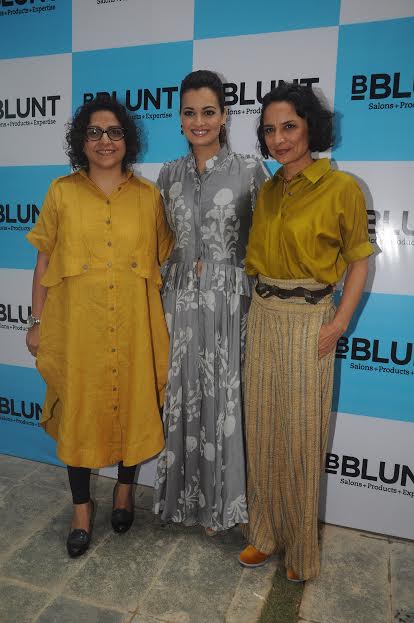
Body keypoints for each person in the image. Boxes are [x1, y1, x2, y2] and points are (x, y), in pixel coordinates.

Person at [26, 96, 173, 557]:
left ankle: (125, 491)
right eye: (94, 132)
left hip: (133, 328)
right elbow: (43, 260)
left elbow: (166, 256)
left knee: (133, 403)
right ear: (81, 140)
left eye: (114, 132)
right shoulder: (61, 192)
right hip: (78, 331)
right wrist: (35, 321)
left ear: (127, 139)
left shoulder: (149, 197)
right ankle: (82, 508)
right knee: (79, 413)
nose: (104, 141)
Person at [239, 83, 374, 580]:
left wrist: (338, 323)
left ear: (310, 128)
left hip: (308, 320)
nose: (279, 139)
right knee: (262, 433)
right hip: (263, 314)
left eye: (289, 127)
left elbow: (359, 261)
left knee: (299, 439)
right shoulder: (268, 189)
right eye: (269, 130)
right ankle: (264, 534)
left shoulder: (342, 189)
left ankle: (299, 551)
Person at [153, 70, 268, 534]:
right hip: (178, 300)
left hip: (230, 302)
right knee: (182, 395)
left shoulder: (250, 170)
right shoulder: (168, 174)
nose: (198, 121)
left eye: (208, 112)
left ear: (224, 116)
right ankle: (183, 500)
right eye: (189, 112)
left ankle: (222, 505)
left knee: (224, 400)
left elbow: (266, 240)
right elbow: (161, 242)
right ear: (180, 118)